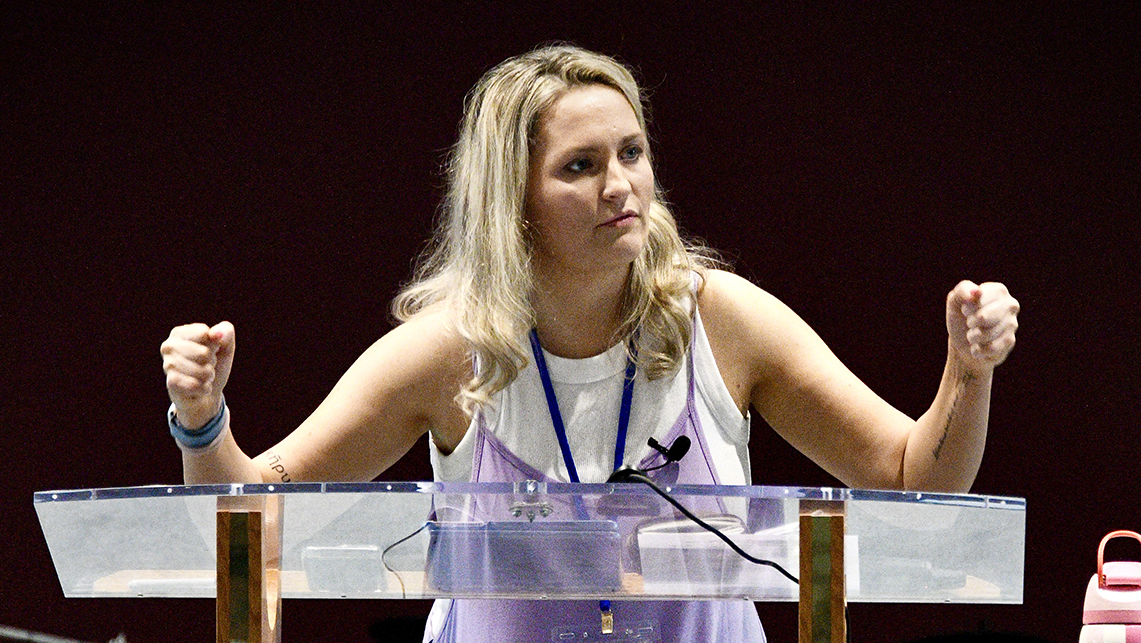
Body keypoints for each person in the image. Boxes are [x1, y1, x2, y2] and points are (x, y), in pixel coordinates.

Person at [160, 45, 1020, 642]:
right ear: (515, 199)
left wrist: (967, 373)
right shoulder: (444, 352)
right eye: (580, 165)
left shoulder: (722, 321)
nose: (622, 186)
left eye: (633, 152)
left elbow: (915, 478)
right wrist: (203, 421)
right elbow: (251, 528)